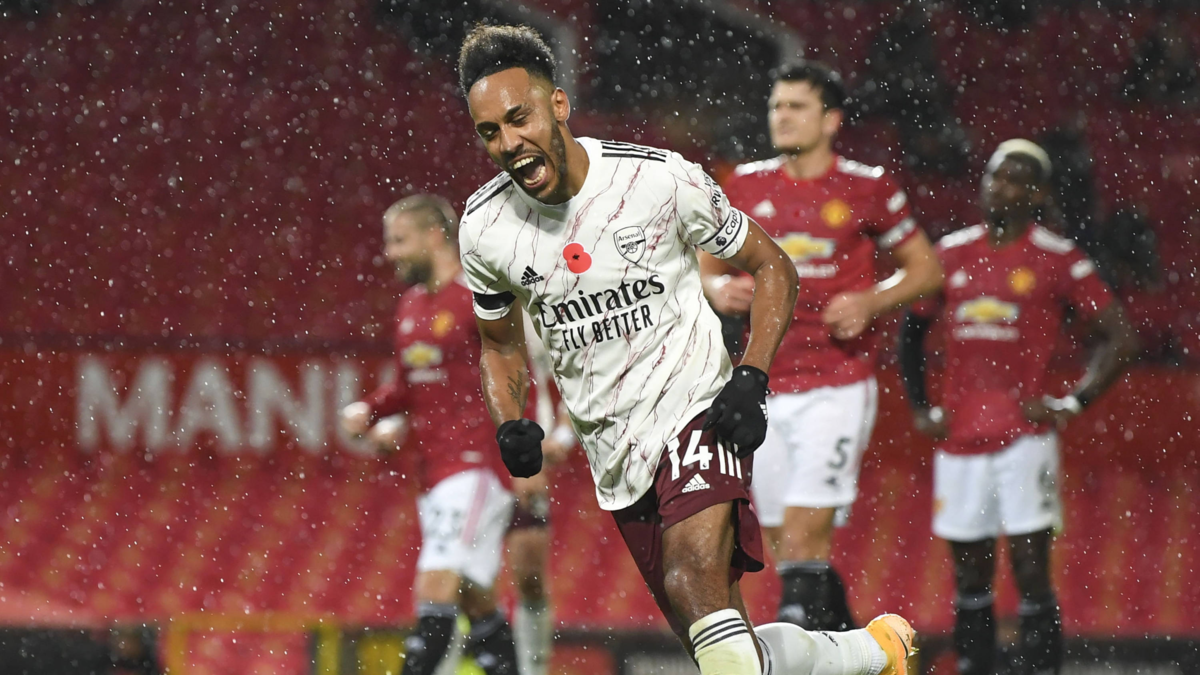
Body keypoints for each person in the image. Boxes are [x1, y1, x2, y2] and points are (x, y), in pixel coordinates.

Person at [456, 23, 915, 675]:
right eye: (489, 132)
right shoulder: (484, 228)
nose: (508, 143)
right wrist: (509, 420)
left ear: (558, 104)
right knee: (725, 648)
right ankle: (874, 650)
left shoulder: (657, 179)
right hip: (616, 455)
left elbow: (773, 266)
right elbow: (499, 344)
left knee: (692, 579)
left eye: (518, 119)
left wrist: (751, 375)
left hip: (697, 412)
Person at [702, 60, 943, 632]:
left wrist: (872, 300)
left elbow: (927, 270)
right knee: (788, 544)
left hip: (837, 382)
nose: (782, 117)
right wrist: (717, 289)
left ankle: (797, 651)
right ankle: (852, 647)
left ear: (831, 120)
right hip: (762, 381)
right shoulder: (746, 186)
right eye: (776, 106)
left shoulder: (869, 186)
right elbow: (704, 266)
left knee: (806, 532)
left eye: (796, 107)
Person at [897, 140, 1138, 675]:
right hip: (960, 436)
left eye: (1014, 179)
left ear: (1038, 193)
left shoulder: (1059, 259)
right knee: (969, 574)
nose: (998, 187)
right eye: (993, 176)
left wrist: (1072, 401)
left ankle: (1041, 669)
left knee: (1030, 567)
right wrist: (920, 406)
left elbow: (1122, 337)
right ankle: (975, 667)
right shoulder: (950, 253)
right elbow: (910, 331)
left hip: (1024, 438)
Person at [340, 195, 521, 675]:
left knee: (435, 586)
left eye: (399, 240)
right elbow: (408, 386)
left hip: (475, 466)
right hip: (432, 471)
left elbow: (516, 369)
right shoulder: (411, 306)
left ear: (435, 235)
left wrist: (529, 446)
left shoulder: (477, 297)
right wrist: (372, 411)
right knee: (474, 598)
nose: (390, 253)